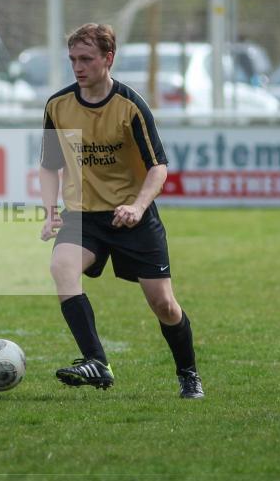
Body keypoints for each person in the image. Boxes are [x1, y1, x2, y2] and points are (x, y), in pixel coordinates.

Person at [38, 23, 203, 399]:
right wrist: (50, 212)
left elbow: (158, 167)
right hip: (83, 215)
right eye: (73, 60)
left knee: (164, 304)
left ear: (108, 59)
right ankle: (96, 361)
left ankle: (188, 373)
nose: (78, 67)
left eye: (86, 59)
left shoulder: (130, 106)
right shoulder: (58, 105)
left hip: (132, 217)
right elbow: (49, 164)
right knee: (61, 268)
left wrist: (138, 206)